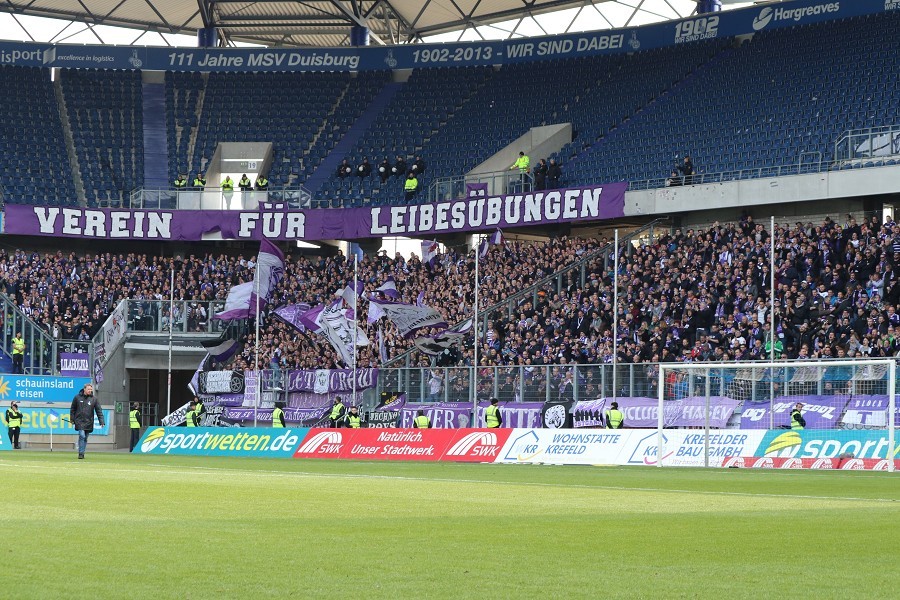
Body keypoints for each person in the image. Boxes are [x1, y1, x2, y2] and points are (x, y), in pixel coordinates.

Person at [70, 384, 104, 459]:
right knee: (82, 436)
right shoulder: (77, 397)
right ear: (84, 389)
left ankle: (82, 452)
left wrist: (101, 421)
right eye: (88, 389)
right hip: (79, 421)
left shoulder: (94, 399)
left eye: (91, 389)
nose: (90, 391)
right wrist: (72, 419)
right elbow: (72, 409)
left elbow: (99, 411)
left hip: (89, 422)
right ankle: (81, 453)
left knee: (85, 438)